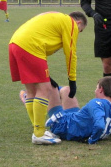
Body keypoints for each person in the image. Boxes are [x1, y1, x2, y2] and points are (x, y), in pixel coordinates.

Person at [9, 11, 87, 144]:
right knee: (45, 90)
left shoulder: (57, 19)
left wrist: (47, 76)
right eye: (80, 31)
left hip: (15, 42)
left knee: (32, 90)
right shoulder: (71, 23)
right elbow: (70, 54)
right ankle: (39, 134)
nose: (77, 33)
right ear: (78, 23)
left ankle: (38, 129)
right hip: (31, 45)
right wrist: (72, 80)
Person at [41, 76, 111, 144]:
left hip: (63, 125)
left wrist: (92, 139)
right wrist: (110, 130)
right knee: (67, 90)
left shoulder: (96, 103)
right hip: (77, 118)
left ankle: (28, 96)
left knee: (50, 88)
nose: (95, 91)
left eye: (96, 88)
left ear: (101, 89)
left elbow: (99, 126)